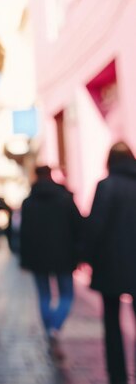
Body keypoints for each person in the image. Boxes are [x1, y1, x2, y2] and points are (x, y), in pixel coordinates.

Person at [82, 141, 136, 384]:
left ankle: (118, 377)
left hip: (111, 265)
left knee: (112, 323)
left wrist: (86, 257)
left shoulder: (106, 186)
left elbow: (95, 227)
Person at [19, 165, 81, 359]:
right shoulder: (65, 199)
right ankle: (55, 328)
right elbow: (77, 227)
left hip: (38, 257)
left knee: (44, 296)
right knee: (67, 295)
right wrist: (79, 254)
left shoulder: (28, 202)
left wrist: (24, 259)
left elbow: (24, 234)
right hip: (64, 255)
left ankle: (50, 332)